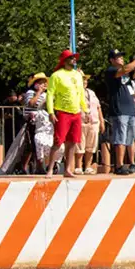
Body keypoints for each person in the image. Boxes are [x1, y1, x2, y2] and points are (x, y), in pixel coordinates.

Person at [103, 47, 135, 175]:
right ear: (112, 60)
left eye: (122, 56)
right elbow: (125, 69)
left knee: (129, 138)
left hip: (129, 109)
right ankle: (119, 165)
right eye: (118, 57)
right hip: (119, 109)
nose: (122, 58)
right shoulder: (111, 70)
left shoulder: (127, 74)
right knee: (120, 138)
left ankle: (131, 164)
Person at [46, 49, 88, 179]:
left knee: (73, 142)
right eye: (71, 58)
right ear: (64, 61)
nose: (74, 60)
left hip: (76, 112)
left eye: (74, 58)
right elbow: (50, 94)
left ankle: (68, 169)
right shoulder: (56, 75)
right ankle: (50, 169)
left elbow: (81, 93)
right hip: (63, 111)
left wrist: (85, 110)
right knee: (58, 142)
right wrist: (51, 111)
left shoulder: (77, 75)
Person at [23, 73, 53, 173]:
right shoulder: (30, 92)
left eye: (45, 83)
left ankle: (42, 166)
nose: (43, 85)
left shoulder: (46, 95)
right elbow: (31, 104)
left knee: (43, 144)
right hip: (31, 122)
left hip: (43, 123)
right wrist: (38, 92)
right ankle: (25, 166)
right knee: (31, 145)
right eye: (41, 83)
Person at [78, 73, 104, 174]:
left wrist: (102, 121)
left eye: (86, 80)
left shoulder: (91, 92)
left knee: (91, 145)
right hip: (81, 121)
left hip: (94, 121)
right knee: (80, 145)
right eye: (82, 80)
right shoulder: (75, 92)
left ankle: (88, 166)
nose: (85, 82)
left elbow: (98, 107)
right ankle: (78, 166)